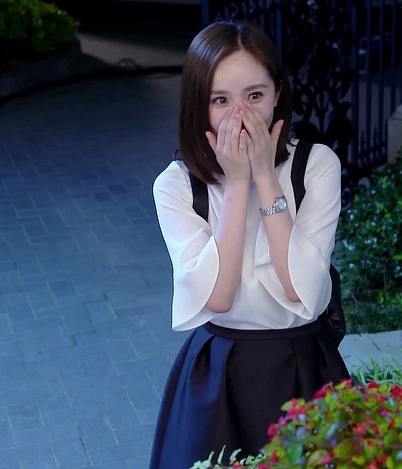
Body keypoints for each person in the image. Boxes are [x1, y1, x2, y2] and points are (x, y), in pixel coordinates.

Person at [148, 19, 350, 468]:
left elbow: (300, 292)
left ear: (278, 93)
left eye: (254, 96)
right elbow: (218, 298)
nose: (239, 115)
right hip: (220, 377)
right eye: (220, 100)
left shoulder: (316, 166)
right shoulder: (176, 186)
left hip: (303, 367)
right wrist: (238, 185)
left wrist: (264, 177)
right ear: (199, 105)